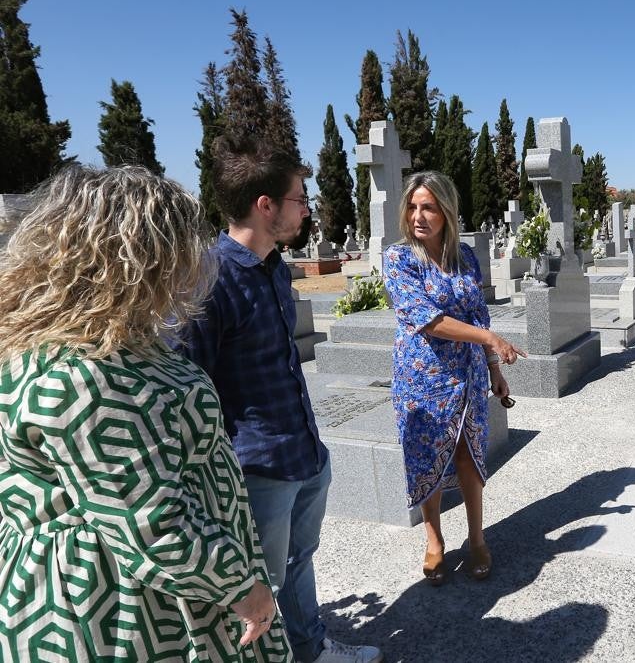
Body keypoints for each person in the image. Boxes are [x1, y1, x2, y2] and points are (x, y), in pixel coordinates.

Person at [0, 165, 288, 660]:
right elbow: (153, 525)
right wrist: (245, 588)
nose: (193, 264)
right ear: (140, 259)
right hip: (129, 603)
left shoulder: (82, 345)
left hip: (147, 583)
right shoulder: (87, 375)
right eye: (180, 249)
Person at [178, 136, 381, 663]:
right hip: (258, 469)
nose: (307, 208)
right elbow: (189, 387)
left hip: (304, 453)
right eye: (299, 198)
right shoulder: (210, 281)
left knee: (297, 564)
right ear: (264, 205)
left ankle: (310, 651)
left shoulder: (273, 268)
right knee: (255, 589)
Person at [381, 171, 524, 586]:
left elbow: (477, 312)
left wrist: (493, 367)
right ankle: (434, 540)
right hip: (421, 378)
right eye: (412, 207)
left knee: (469, 454)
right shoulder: (399, 259)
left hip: (467, 375)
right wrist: (490, 339)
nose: (418, 216)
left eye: (428, 207)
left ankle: (477, 538)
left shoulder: (464, 255)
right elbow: (426, 320)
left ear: (447, 211)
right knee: (427, 458)